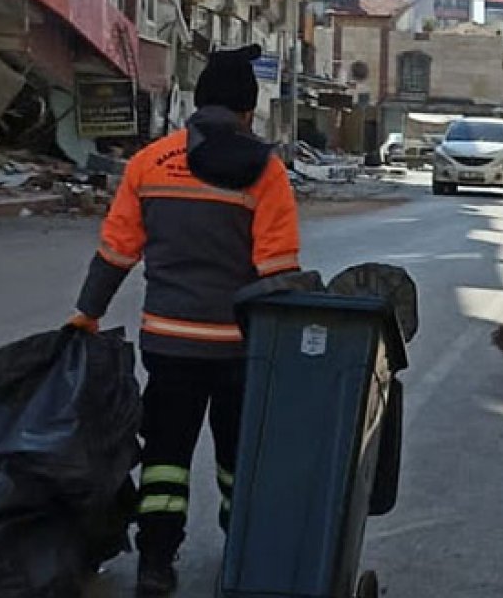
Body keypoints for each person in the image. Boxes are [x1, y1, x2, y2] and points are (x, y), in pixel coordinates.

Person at [66, 45, 300, 597]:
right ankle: (241, 554)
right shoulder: (266, 172)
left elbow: (117, 252)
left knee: (166, 456)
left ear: (198, 104)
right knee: (239, 458)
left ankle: (154, 562)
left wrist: (86, 315)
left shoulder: (150, 162)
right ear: (248, 111)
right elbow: (277, 271)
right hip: (241, 347)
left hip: (168, 343)